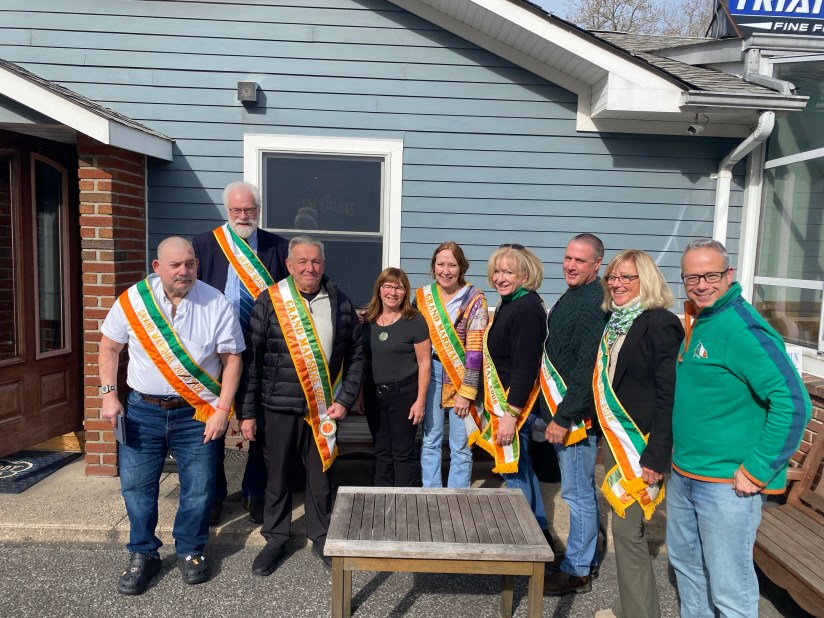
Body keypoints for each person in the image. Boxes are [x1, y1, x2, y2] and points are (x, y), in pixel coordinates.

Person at [667, 239, 812, 618]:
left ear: (729, 275)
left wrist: (758, 469)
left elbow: (794, 402)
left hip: (726, 486)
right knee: (689, 571)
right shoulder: (702, 319)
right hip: (685, 475)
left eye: (711, 275)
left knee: (731, 589)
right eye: (691, 277)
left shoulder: (742, 328)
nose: (701, 284)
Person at [98, 237, 244, 595]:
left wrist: (223, 410)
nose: (184, 271)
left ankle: (191, 550)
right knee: (136, 487)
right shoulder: (133, 301)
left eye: (190, 264)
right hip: (141, 410)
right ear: (156, 267)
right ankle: (143, 553)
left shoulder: (215, 302)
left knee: (198, 489)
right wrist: (108, 394)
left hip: (196, 413)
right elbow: (109, 347)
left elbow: (232, 360)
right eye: (176, 265)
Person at [238, 236, 363, 575]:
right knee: (277, 476)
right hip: (278, 406)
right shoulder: (271, 301)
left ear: (323, 264)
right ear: (289, 266)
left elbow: (356, 356)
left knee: (321, 476)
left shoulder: (340, 302)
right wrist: (247, 413)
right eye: (303, 262)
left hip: (323, 408)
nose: (310, 268)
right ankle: (275, 538)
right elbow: (253, 363)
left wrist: (345, 398)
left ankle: (321, 536)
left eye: (316, 262)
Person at [592, 250, 683, 618]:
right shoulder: (616, 322)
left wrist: (656, 457)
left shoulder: (659, 322)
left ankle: (639, 613)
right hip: (618, 441)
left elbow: (669, 395)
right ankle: (629, 605)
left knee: (629, 534)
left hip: (641, 446)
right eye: (612, 277)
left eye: (626, 278)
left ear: (646, 280)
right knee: (625, 530)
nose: (616, 284)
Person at [191, 180, 288, 526]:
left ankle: (255, 492)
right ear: (227, 211)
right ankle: (214, 493)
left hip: (263, 352)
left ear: (258, 211)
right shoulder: (204, 244)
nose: (243, 216)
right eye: (236, 210)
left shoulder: (278, 247)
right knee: (211, 422)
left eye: (249, 210)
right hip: (215, 353)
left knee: (261, 424)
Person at [471, 244, 554, 547]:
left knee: (516, 476)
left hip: (514, 406)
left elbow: (526, 365)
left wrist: (511, 415)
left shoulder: (527, 308)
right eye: (497, 270)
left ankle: (528, 543)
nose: (500, 277)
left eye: (508, 271)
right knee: (523, 470)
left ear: (525, 275)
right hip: (507, 402)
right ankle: (539, 536)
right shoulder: (510, 302)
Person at [542, 233, 608, 596]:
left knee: (577, 492)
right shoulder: (574, 295)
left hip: (575, 417)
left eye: (579, 261)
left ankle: (578, 569)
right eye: (567, 257)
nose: (569, 265)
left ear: (597, 264)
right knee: (579, 489)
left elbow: (587, 367)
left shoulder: (594, 302)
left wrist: (564, 415)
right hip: (564, 409)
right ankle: (583, 556)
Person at [418, 242, 488, 488]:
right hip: (432, 371)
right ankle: (431, 493)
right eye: (441, 264)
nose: (445, 270)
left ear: (461, 268)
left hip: (463, 375)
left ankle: (457, 498)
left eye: (452, 265)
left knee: (459, 444)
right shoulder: (423, 297)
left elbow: (475, 349)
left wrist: (467, 391)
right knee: (431, 438)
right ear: (433, 267)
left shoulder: (474, 298)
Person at [362, 268, 431, 487]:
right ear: (379, 289)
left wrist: (420, 402)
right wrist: (359, 395)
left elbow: (424, 363)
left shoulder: (414, 321)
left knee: (402, 453)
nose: (393, 292)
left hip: (404, 395)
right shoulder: (367, 321)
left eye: (399, 287)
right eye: (388, 286)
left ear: (405, 291)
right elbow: (362, 361)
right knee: (381, 452)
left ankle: (405, 505)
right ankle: (382, 504)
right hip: (374, 395)